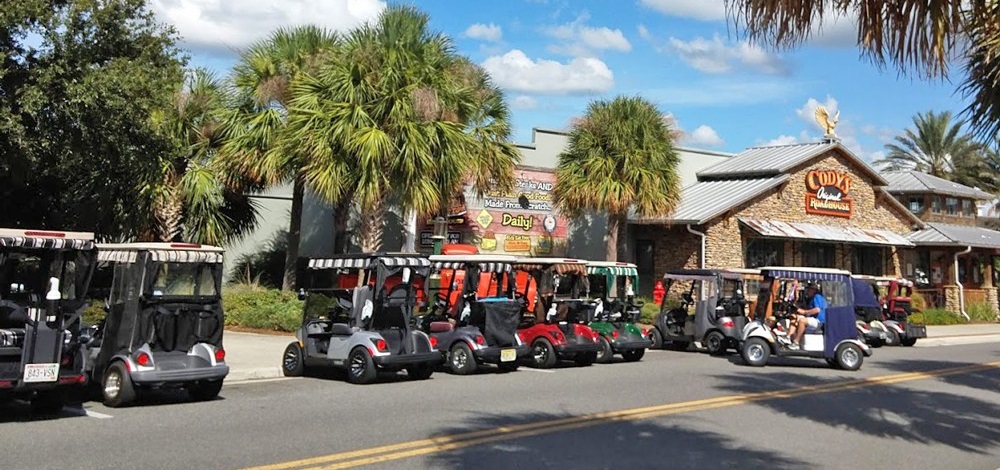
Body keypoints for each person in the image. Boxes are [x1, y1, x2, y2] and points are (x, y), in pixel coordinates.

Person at [787, 282, 827, 349]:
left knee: (802, 321)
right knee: (794, 317)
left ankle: (796, 342)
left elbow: (817, 310)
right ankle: (788, 337)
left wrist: (804, 312)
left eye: (809, 289)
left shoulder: (817, 297)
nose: (807, 291)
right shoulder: (811, 299)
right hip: (814, 319)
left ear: (814, 290)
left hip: (819, 321)